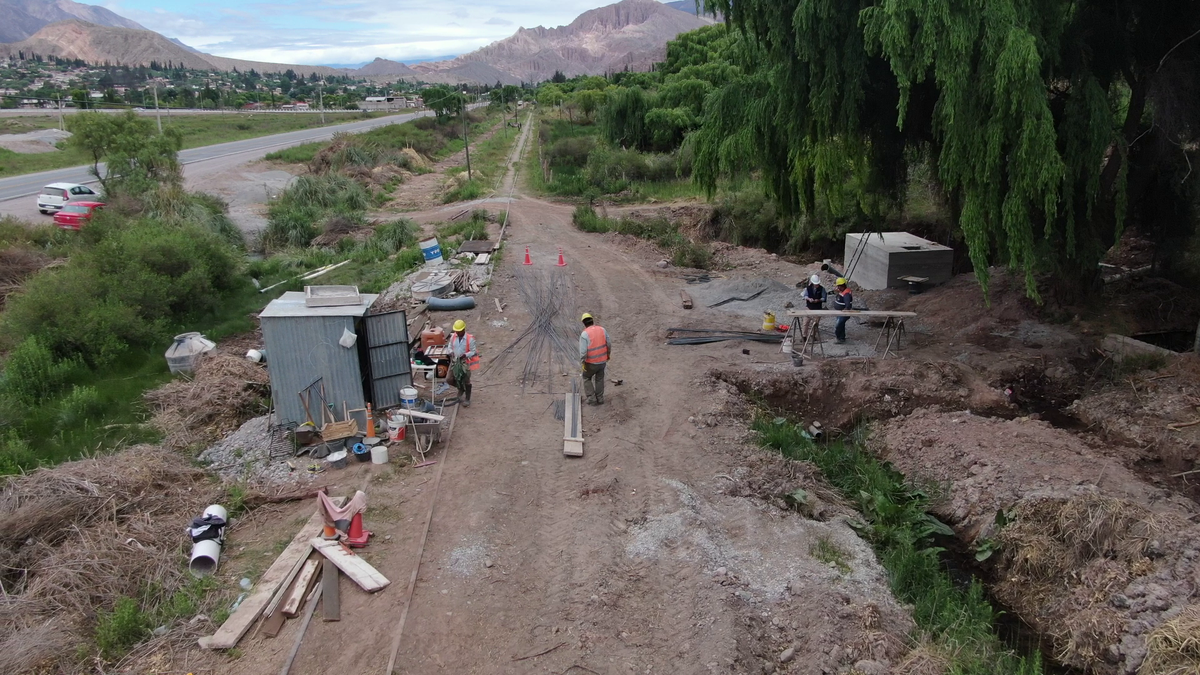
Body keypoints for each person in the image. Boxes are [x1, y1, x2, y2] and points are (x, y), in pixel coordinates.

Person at [578, 312, 610, 405]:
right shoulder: (602, 330)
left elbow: (583, 352)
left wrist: (583, 362)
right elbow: (609, 343)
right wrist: (608, 355)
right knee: (599, 378)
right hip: (602, 361)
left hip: (591, 363)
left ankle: (592, 400)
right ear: (592, 320)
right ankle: (600, 398)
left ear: (584, 323)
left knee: (586, 377)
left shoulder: (584, 334)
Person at [447, 319, 479, 407]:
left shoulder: (470, 339)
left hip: (464, 362)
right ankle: (461, 388)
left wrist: (465, 355)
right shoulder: (453, 337)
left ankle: (467, 398)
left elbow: (473, 351)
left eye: (458, 331)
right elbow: (449, 346)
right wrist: (450, 351)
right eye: (456, 331)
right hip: (455, 361)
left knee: (466, 380)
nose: (456, 333)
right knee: (449, 379)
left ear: (463, 330)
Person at [801, 274, 826, 339]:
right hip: (809, 307)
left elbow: (824, 298)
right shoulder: (808, 288)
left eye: (817, 284)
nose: (817, 285)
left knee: (815, 323)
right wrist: (809, 299)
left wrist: (819, 300)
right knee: (805, 322)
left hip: (818, 308)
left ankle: (813, 335)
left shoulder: (822, 289)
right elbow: (804, 296)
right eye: (815, 284)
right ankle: (804, 336)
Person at [833, 278, 853, 343]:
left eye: (839, 286)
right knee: (842, 325)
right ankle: (842, 338)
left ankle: (839, 337)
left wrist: (845, 311)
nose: (838, 287)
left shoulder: (846, 294)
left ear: (842, 286)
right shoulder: (842, 291)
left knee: (838, 325)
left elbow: (848, 305)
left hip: (843, 313)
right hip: (840, 312)